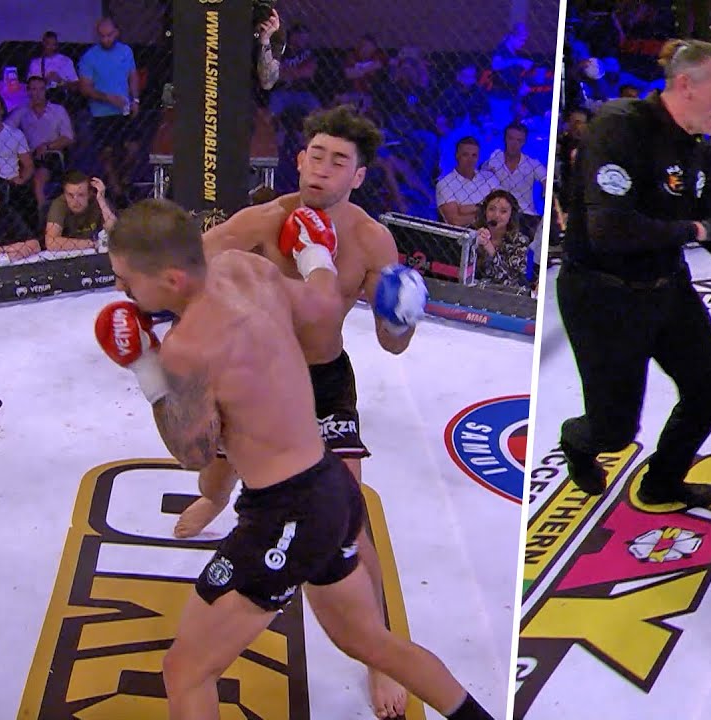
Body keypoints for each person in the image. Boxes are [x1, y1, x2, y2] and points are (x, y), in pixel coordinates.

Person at [94, 199, 491, 720]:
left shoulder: (186, 347)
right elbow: (322, 307)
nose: (121, 290)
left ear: (170, 279)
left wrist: (145, 366)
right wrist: (314, 256)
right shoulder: (244, 269)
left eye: (127, 280)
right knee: (369, 641)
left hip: (285, 515)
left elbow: (192, 452)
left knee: (186, 673)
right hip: (331, 489)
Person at [174, 104, 424, 718]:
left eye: (338, 161)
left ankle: (379, 654)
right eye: (316, 155)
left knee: (349, 523)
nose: (322, 169)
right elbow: (187, 268)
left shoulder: (371, 239)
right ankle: (215, 498)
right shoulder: (263, 220)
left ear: (358, 176)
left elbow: (392, 344)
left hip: (324, 382)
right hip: (259, 375)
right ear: (299, 158)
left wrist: (401, 317)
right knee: (215, 472)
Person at [556, 38, 711, 509]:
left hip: (667, 287)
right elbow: (610, 231)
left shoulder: (702, 143)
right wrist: (692, 229)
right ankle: (577, 440)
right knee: (614, 431)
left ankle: (662, 482)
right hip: (602, 297)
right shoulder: (620, 126)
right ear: (686, 85)